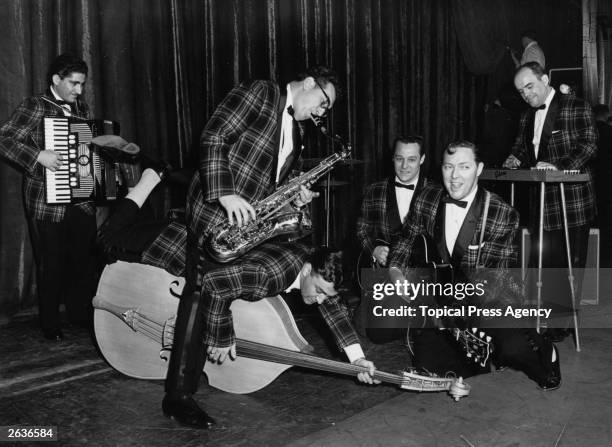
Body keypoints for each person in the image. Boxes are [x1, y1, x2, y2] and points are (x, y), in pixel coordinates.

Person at [165, 66, 363, 428]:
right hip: (213, 209)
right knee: (201, 285)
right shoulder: (261, 93)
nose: (321, 114)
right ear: (307, 84)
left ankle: (198, 367)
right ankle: (178, 396)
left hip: (245, 222)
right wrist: (224, 193)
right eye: (322, 103)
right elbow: (214, 137)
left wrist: (295, 203)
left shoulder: (299, 136)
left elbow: (269, 188)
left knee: (235, 279)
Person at [388, 141, 561, 390]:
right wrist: (396, 270)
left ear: (479, 169)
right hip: (444, 300)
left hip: (492, 298)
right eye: (448, 167)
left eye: (464, 167)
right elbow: (406, 237)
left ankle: (546, 353)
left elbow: (493, 282)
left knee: (514, 349)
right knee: (435, 373)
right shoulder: (427, 198)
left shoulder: (501, 212)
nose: (455, 176)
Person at [0, 54, 96, 340]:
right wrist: (37, 155)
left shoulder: (82, 108)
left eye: (82, 84)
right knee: (50, 262)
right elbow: (4, 139)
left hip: (80, 198)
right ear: (56, 79)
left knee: (83, 259)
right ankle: (50, 323)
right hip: (45, 199)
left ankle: (79, 314)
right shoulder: (35, 105)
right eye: (74, 83)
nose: (79, 90)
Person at [502, 62, 597, 340]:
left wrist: (562, 167)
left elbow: (589, 143)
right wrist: (514, 158)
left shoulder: (576, 106)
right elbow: (522, 146)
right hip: (541, 200)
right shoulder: (525, 116)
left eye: (530, 86)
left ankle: (562, 323)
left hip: (572, 200)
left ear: (545, 79)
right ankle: (543, 316)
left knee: (569, 262)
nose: (526, 95)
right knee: (545, 259)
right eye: (521, 91)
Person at [356, 135, 429, 268]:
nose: (404, 166)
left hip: (422, 275)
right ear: (392, 158)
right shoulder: (374, 190)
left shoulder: (435, 192)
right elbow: (362, 229)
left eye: (411, 159)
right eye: (399, 158)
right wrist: (373, 249)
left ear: (422, 159)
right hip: (382, 274)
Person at [592, 104, 612, 266]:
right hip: (608, 181)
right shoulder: (610, 132)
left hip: (591, 180)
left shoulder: (589, 132)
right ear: (607, 115)